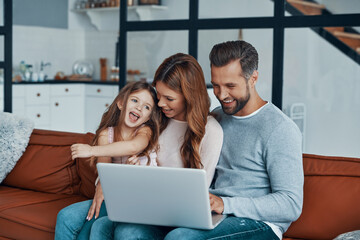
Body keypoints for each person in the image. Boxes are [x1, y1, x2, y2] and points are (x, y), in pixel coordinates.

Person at [55, 53, 224, 240]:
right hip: (133, 201)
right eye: (158, 95)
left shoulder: (210, 131)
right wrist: (103, 183)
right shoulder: (157, 118)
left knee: (113, 228)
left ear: (189, 96)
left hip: (168, 212)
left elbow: (197, 193)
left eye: (168, 98)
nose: (160, 103)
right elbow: (123, 147)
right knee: (73, 219)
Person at [164, 41, 304, 240]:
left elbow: (290, 204)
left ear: (253, 78)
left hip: (259, 225)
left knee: (180, 238)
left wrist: (225, 204)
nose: (221, 95)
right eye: (216, 86)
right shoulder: (217, 118)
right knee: (130, 230)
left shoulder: (280, 129)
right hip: (211, 213)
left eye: (230, 86)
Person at [55, 81, 162, 240]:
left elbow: (133, 146)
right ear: (120, 103)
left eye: (147, 107)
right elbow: (104, 172)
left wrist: (91, 150)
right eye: (134, 100)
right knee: (67, 217)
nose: (139, 107)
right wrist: (102, 185)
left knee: (91, 230)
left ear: (148, 117)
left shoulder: (145, 131)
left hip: (141, 200)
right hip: (115, 196)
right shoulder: (107, 134)